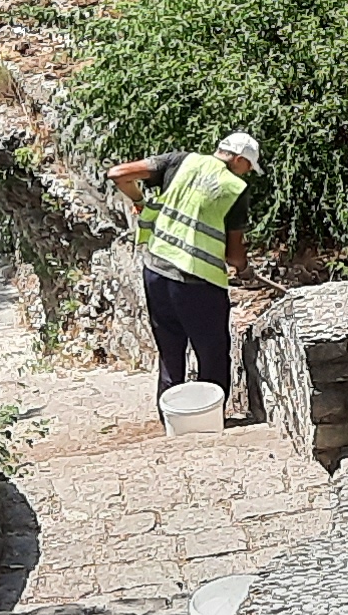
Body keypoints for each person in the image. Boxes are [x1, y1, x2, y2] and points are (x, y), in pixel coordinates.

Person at [110, 130, 259, 418]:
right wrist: (245, 270)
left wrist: (140, 201)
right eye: (249, 166)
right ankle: (207, 420)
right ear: (239, 160)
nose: (248, 172)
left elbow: (118, 174)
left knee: (170, 352)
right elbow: (234, 254)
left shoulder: (180, 161)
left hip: (156, 272)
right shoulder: (235, 188)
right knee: (212, 354)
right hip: (198, 284)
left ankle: (172, 421)